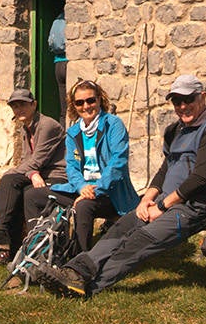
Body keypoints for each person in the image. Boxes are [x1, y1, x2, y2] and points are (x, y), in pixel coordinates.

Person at [34, 74, 206, 297]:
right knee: (123, 227)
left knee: (141, 239)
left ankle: (89, 287)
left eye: (189, 99)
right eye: (177, 101)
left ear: (203, 97)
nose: (183, 106)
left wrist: (162, 207)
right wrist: (148, 199)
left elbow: (200, 178)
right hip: (168, 201)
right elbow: (164, 170)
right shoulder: (176, 130)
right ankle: (76, 271)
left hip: (199, 206)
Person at [28, 79, 137, 255]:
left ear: (99, 100)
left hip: (110, 192)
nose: (86, 106)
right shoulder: (73, 132)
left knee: (84, 206)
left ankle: (81, 261)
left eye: (91, 100)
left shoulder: (113, 124)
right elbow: (71, 166)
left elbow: (118, 163)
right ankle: (39, 250)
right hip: (82, 189)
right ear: (74, 105)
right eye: (79, 102)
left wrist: (95, 190)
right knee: (33, 196)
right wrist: (81, 187)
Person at [0, 87, 66, 265]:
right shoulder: (26, 128)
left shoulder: (47, 126)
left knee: (12, 181)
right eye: (15, 106)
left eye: (23, 104)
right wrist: (32, 174)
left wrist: (19, 172)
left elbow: (36, 160)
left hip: (57, 175)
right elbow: (27, 161)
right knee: (15, 190)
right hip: (40, 173)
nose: (19, 109)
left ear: (34, 105)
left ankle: (0, 235)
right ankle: (11, 250)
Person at [48, 12, 67, 123]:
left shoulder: (57, 20)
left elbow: (51, 44)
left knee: (63, 108)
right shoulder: (69, 18)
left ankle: (64, 135)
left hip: (58, 64)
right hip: (68, 63)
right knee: (74, 106)